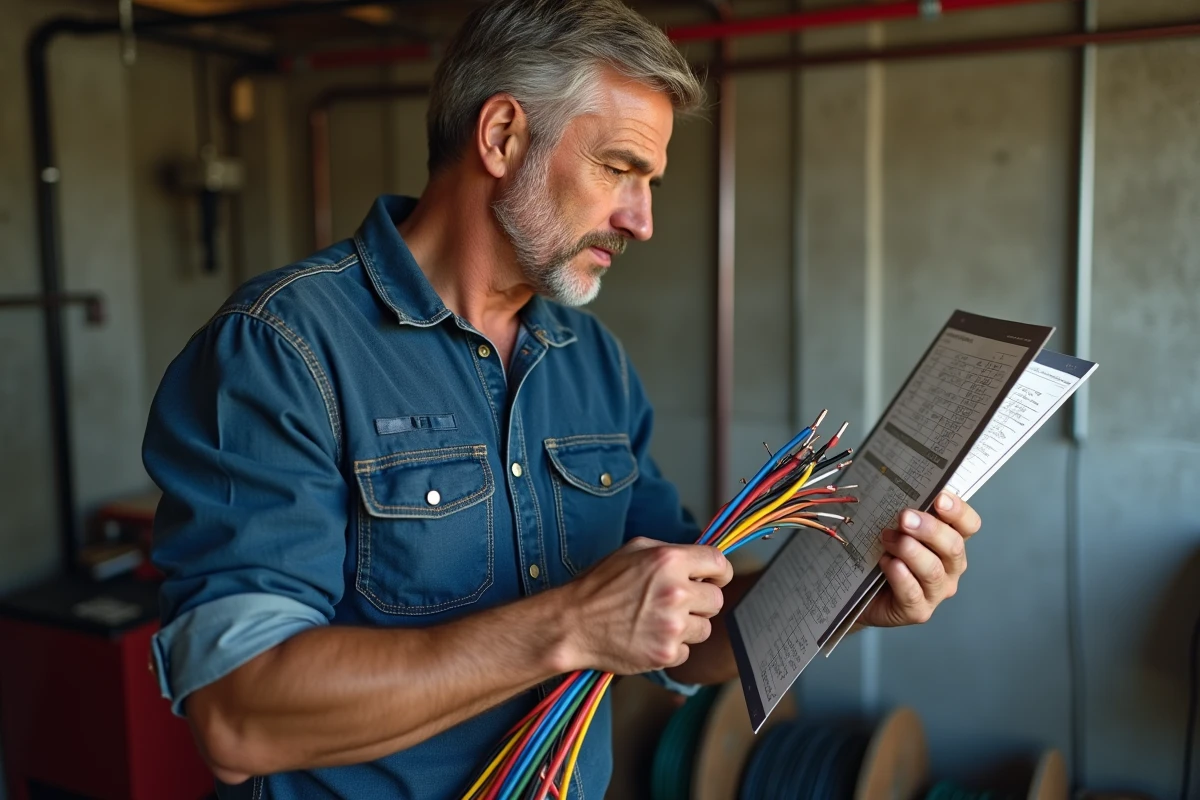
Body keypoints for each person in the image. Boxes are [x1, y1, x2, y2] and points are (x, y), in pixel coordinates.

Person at [143, 0, 982, 797]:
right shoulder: (283, 347)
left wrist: (847, 596)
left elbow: (678, 628)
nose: (642, 220)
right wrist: (571, 625)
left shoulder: (592, 363)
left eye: (649, 182)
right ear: (503, 136)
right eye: (619, 169)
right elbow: (238, 712)